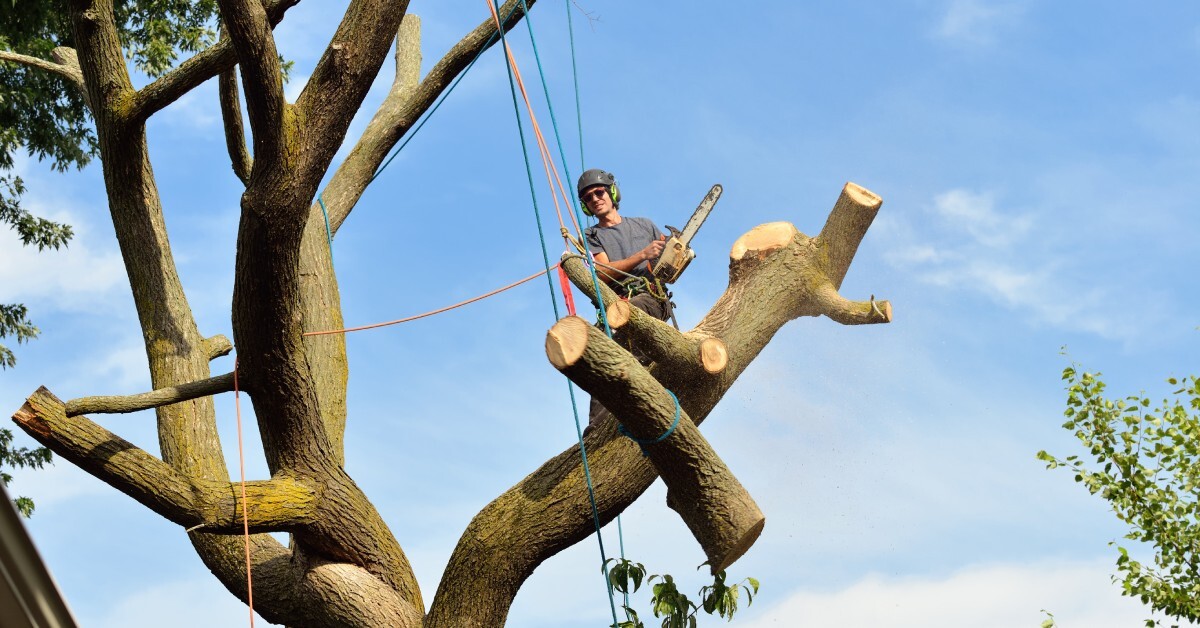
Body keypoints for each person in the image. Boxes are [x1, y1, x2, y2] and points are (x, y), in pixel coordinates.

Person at [576, 168, 674, 431]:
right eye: (588, 197)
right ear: (585, 206)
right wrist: (642, 254)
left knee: (633, 315)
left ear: (612, 192)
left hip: (649, 298)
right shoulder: (591, 236)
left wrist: (674, 253)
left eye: (599, 192)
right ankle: (598, 430)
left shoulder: (644, 225)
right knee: (598, 354)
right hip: (617, 304)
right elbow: (603, 273)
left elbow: (668, 267)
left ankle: (644, 390)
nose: (595, 198)